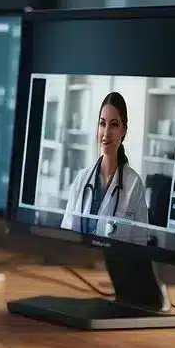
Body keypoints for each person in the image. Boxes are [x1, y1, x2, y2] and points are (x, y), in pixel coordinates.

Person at [61, 91, 149, 242]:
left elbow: (140, 244)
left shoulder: (134, 185)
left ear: (123, 131)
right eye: (102, 123)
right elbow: (66, 234)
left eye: (114, 125)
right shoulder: (82, 179)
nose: (106, 133)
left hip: (116, 265)